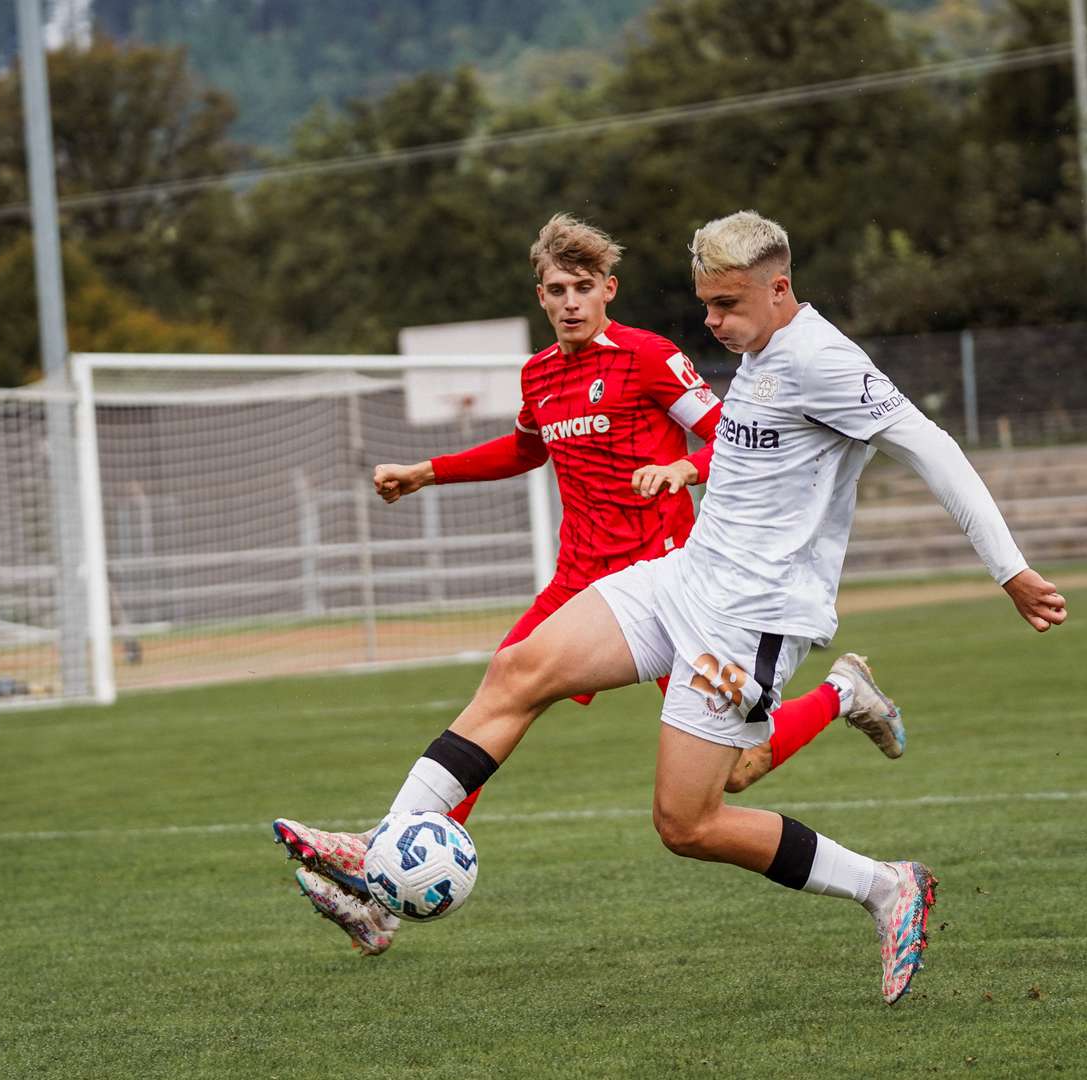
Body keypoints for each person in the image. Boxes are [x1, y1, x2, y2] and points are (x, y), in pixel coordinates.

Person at [276, 213, 946, 971]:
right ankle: (377, 874)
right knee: (506, 688)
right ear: (541, 295)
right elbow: (527, 447)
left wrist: (685, 470)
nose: (570, 302)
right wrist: (429, 470)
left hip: (674, 575)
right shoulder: (539, 374)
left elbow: (732, 430)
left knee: (726, 779)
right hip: (581, 580)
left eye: (583, 288)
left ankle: (840, 696)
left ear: (608, 291)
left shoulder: (650, 359)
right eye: (556, 290)